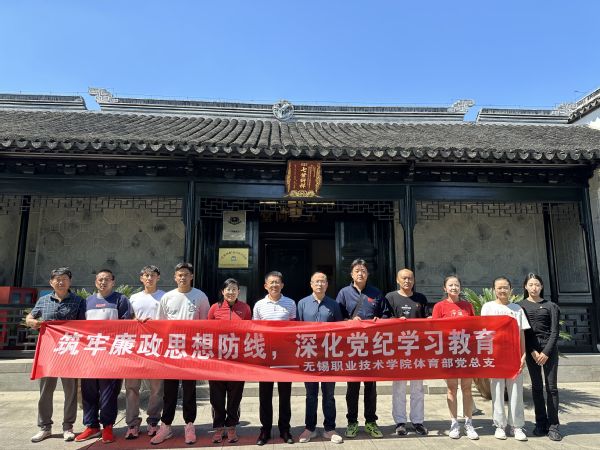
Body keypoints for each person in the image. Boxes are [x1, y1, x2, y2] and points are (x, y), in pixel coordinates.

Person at [150, 262, 210, 445]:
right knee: (169, 391)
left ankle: (189, 425)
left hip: (191, 352)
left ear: (192, 276)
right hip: (172, 352)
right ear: (175, 277)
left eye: (186, 274)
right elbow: (160, 324)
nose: (183, 277)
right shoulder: (167, 297)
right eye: (180, 275)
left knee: (190, 391)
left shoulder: (200, 296)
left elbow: (206, 325)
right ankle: (166, 426)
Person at [26, 267, 85, 443]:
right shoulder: (43, 300)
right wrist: (32, 321)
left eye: (64, 279)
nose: (61, 282)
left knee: (70, 391)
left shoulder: (78, 301)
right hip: (48, 351)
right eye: (57, 279)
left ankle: (68, 427)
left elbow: (83, 326)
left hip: (69, 351)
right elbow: (30, 317)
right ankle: (45, 427)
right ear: (51, 282)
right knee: (45, 390)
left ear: (70, 282)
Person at [75, 269, 131, 444]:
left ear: (113, 282)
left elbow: (127, 325)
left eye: (107, 279)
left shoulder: (120, 299)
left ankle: (107, 427)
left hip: (111, 355)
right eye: (100, 279)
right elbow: (79, 326)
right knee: (88, 392)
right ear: (95, 282)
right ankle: (91, 426)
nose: (103, 282)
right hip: (90, 354)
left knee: (108, 393)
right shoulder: (87, 302)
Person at [335, 258, 388, 439]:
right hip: (352, 346)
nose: (360, 273)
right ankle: (352, 422)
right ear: (351, 274)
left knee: (371, 387)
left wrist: (379, 320)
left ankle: (371, 422)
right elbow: (337, 318)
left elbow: (386, 315)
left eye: (363, 270)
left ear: (368, 274)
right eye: (357, 270)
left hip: (372, 346)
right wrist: (349, 321)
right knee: (352, 387)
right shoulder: (343, 293)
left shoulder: (376, 293)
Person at [297, 272, 344, 444]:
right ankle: (309, 428)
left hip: (329, 357)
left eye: (323, 281)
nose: (319, 284)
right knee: (311, 394)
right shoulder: (302, 303)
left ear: (327, 285)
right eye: (316, 281)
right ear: (311, 284)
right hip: (309, 356)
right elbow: (296, 329)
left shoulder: (334, 304)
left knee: (329, 394)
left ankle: (329, 429)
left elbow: (341, 329)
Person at [481, 277, 530, 441]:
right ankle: (499, 425)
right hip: (495, 356)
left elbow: (521, 333)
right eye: (499, 288)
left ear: (511, 289)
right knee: (497, 390)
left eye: (505, 287)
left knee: (516, 391)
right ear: (494, 290)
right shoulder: (488, 307)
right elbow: (483, 332)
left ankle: (517, 426)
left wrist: (523, 354)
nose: (502, 290)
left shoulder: (517, 309)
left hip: (514, 356)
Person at [431, 275, 478, 440]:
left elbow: (474, 327)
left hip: (466, 352)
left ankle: (469, 423)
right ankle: (454, 423)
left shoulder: (467, 306)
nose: (454, 288)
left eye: (456, 285)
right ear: (445, 288)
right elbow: (434, 330)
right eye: (450, 285)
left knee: (467, 388)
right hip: (448, 353)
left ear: (460, 287)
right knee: (451, 388)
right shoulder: (439, 307)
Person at [253, 271, 296, 445]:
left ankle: (285, 429)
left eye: (277, 282)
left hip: (285, 356)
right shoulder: (259, 305)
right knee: (265, 395)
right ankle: (265, 430)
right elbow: (255, 330)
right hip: (265, 356)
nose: (274, 285)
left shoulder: (290, 303)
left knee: (285, 395)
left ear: (282, 285)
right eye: (271, 282)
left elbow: (294, 329)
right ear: (265, 286)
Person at [518, 273, 562, 441]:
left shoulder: (551, 306)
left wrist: (546, 352)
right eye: (531, 284)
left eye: (537, 284)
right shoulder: (520, 306)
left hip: (549, 350)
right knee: (536, 387)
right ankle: (540, 423)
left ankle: (554, 426)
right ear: (525, 286)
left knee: (552, 388)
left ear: (542, 286)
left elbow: (555, 332)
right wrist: (532, 351)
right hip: (532, 351)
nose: (534, 287)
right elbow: (524, 333)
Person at [207, 278, 251, 444]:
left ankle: (231, 427)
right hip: (217, 361)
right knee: (216, 396)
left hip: (237, 360)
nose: (231, 292)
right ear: (222, 292)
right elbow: (206, 331)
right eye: (228, 289)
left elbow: (250, 331)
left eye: (234, 289)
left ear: (239, 292)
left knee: (235, 396)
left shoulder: (245, 308)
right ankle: (219, 428)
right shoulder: (214, 308)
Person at [385, 268, 428, 437]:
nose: (407, 281)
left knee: (418, 388)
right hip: (398, 349)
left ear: (414, 280)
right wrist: (395, 321)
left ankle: (418, 421)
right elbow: (384, 319)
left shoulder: (421, 298)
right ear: (397, 280)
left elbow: (427, 321)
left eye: (410, 278)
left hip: (417, 349)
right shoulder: (390, 297)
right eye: (404, 278)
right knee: (399, 388)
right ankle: (400, 422)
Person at [124, 265, 165, 439]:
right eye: (146, 275)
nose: (149, 278)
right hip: (135, 348)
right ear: (141, 278)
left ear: (158, 277)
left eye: (153, 275)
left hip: (156, 347)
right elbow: (127, 319)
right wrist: (136, 320)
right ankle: (132, 424)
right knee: (132, 387)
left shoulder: (164, 297)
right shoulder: (134, 298)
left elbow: (169, 320)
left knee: (157, 388)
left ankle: (153, 421)